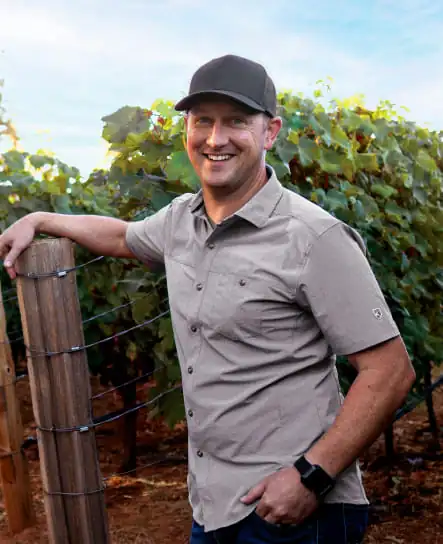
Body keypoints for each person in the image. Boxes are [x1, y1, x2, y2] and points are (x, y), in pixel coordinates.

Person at [0, 54, 415, 544]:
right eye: (203, 121)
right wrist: (43, 219)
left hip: (295, 512)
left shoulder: (313, 238)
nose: (215, 139)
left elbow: (391, 371)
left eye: (236, 121)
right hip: (213, 505)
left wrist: (311, 477)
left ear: (271, 131)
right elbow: (122, 236)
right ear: (187, 130)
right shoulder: (181, 221)